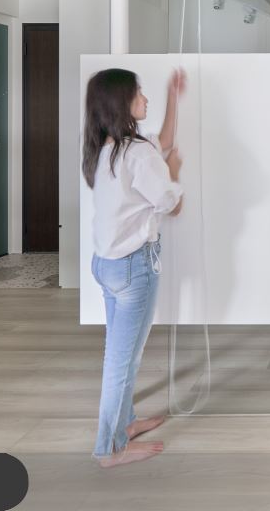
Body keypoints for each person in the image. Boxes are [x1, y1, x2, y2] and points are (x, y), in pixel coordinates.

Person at [82, 67, 186, 467]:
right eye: (139, 93)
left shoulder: (107, 148)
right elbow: (172, 205)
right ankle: (108, 449)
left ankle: (125, 424)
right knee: (122, 361)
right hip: (133, 269)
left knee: (127, 354)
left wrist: (173, 96)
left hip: (106, 265)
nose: (145, 98)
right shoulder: (138, 154)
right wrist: (174, 173)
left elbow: (163, 141)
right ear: (120, 103)